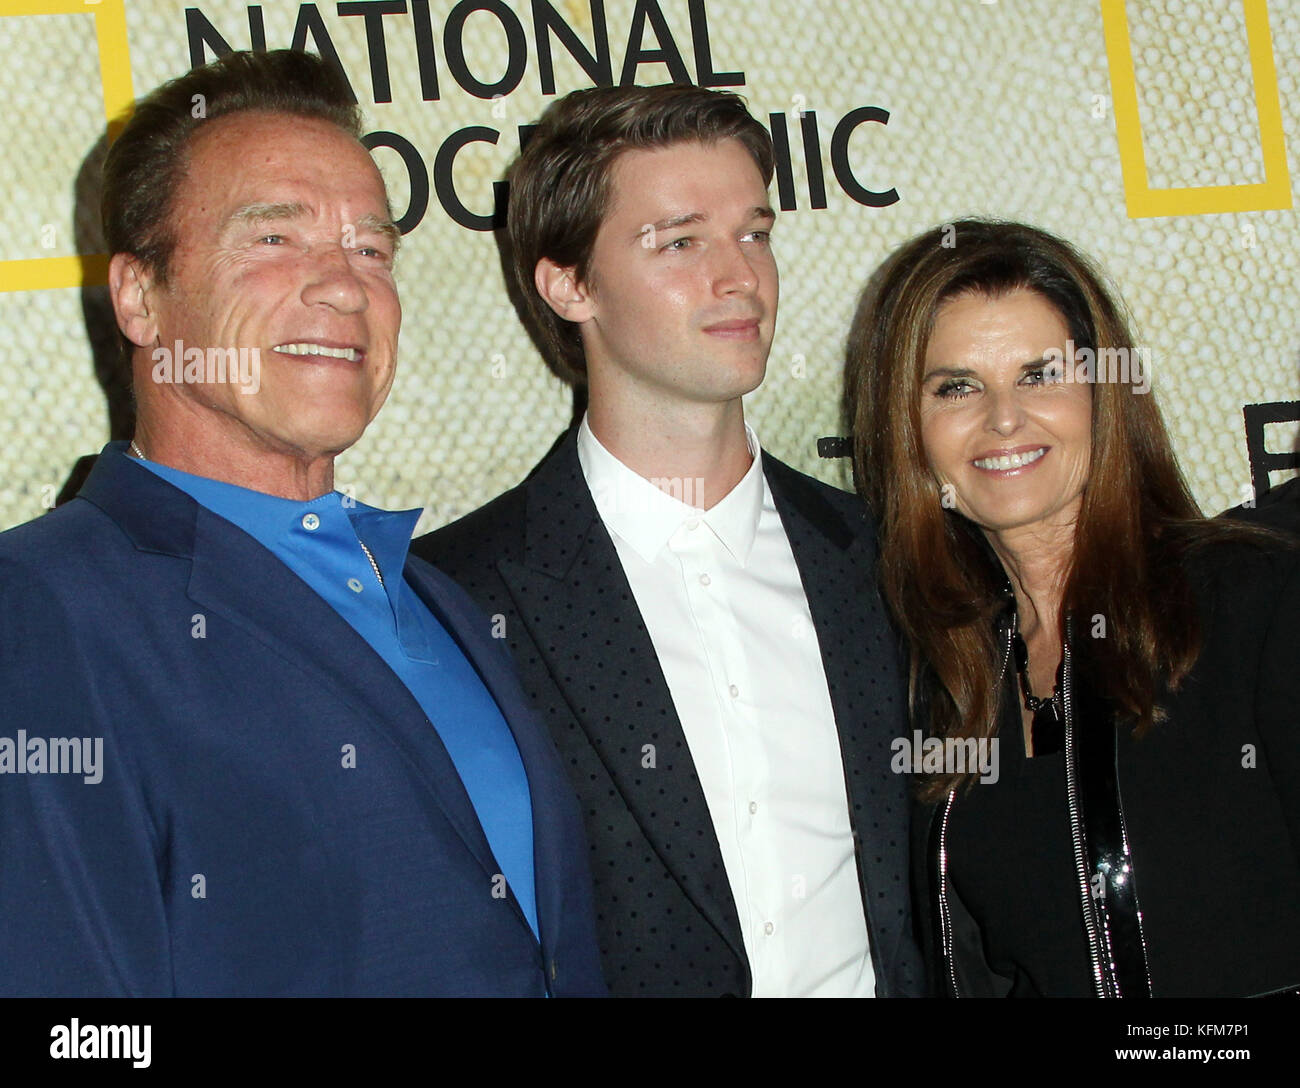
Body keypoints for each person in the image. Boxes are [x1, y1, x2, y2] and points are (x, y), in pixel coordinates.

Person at [0, 49, 604, 997]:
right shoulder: (39, 608)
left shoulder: (437, 597)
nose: (344, 285)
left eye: (372, 248)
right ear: (139, 297)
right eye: (274, 239)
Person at [415, 84, 923, 998]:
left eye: (755, 234)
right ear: (568, 284)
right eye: (681, 241)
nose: (741, 277)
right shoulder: (457, 599)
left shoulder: (884, 558)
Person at [845, 217, 1300, 997]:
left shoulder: (1253, 602)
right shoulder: (941, 682)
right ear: (908, 430)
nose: (1003, 418)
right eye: (956, 386)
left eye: (1040, 374)